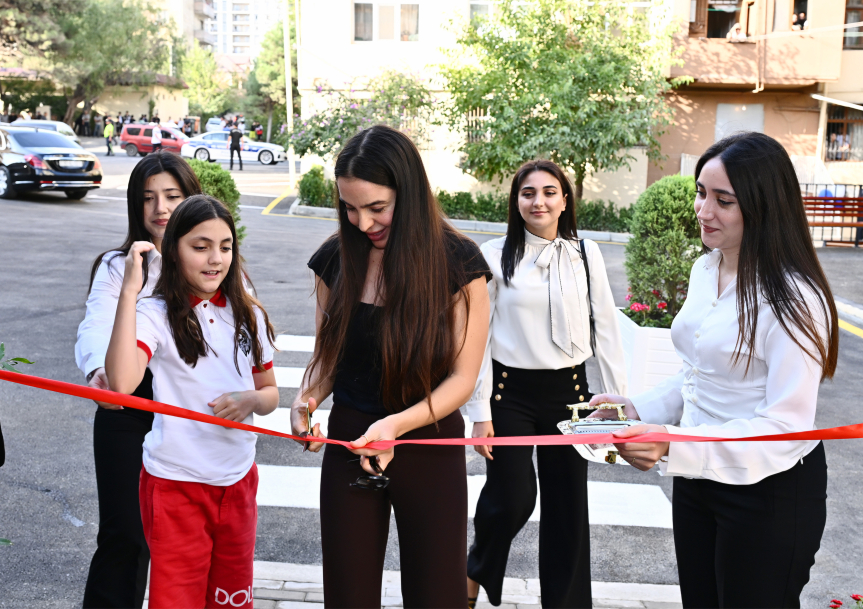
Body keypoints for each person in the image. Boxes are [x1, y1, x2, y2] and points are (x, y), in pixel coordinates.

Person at [590, 132, 838, 608]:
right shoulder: (706, 269)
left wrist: (672, 442)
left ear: (764, 206)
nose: (703, 211)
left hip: (768, 490)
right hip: (698, 482)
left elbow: (783, 427)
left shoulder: (794, 297)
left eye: (723, 200)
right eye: (701, 193)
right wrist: (638, 406)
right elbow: (697, 376)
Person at [290, 125, 491, 608]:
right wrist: (307, 398)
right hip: (352, 439)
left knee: (436, 593)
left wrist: (397, 426)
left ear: (411, 193)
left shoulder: (460, 264)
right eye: (349, 208)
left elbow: (463, 379)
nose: (361, 223)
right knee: (348, 591)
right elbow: (328, 358)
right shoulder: (334, 261)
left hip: (429, 435)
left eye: (377, 208)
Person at [465, 160, 627, 609]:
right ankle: (477, 567)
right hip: (509, 394)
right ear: (516, 202)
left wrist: (620, 404)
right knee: (513, 495)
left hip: (570, 396)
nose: (539, 201)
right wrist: (479, 414)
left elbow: (607, 329)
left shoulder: (586, 253)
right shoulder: (493, 255)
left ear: (565, 200)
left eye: (549, 192)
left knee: (568, 510)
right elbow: (476, 341)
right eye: (528, 193)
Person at [105, 194, 278, 609]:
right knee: (176, 600)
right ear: (172, 249)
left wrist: (249, 399)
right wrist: (130, 292)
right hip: (175, 483)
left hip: (237, 481)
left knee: (231, 599)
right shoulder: (155, 312)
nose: (215, 259)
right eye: (200, 247)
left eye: (225, 246)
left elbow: (271, 394)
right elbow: (122, 384)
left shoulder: (248, 313)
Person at [76, 152, 204, 608]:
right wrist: (100, 376)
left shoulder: (215, 264)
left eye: (172, 196)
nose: (160, 208)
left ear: (192, 198)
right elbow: (94, 327)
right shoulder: (118, 265)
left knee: (187, 544)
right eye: (147, 198)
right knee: (127, 535)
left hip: (189, 414)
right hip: (126, 410)